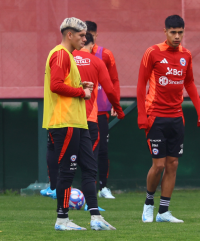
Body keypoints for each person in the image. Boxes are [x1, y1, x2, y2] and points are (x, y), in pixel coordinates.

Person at [43, 17, 115, 231]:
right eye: (82, 35)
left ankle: (95, 217)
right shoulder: (60, 54)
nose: (86, 38)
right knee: (68, 170)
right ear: (69, 35)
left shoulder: (70, 56)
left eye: (86, 35)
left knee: (90, 169)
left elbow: (62, 84)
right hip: (64, 121)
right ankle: (62, 220)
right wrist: (80, 91)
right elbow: (55, 85)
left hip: (78, 121)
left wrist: (78, 85)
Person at [138, 15, 200, 223]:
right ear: (165, 32)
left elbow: (190, 83)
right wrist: (142, 115)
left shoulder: (186, 55)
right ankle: (148, 205)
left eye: (180, 32)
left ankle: (163, 211)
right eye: (173, 32)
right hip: (155, 116)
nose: (177, 36)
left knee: (173, 164)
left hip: (176, 117)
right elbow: (141, 85)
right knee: (158, 165)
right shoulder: (153, 52)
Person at [85, 20, 120, 199]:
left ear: (96, 35)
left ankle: (103, 187)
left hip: (100, 111)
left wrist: (115, 103)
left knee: (102, 149)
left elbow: (114, 80)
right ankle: (82, 188)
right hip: (80, 110)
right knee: (82, 149)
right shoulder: (73, 54)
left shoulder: (105, 54)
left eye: (91, 33)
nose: (88, 36)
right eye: (85, 33)